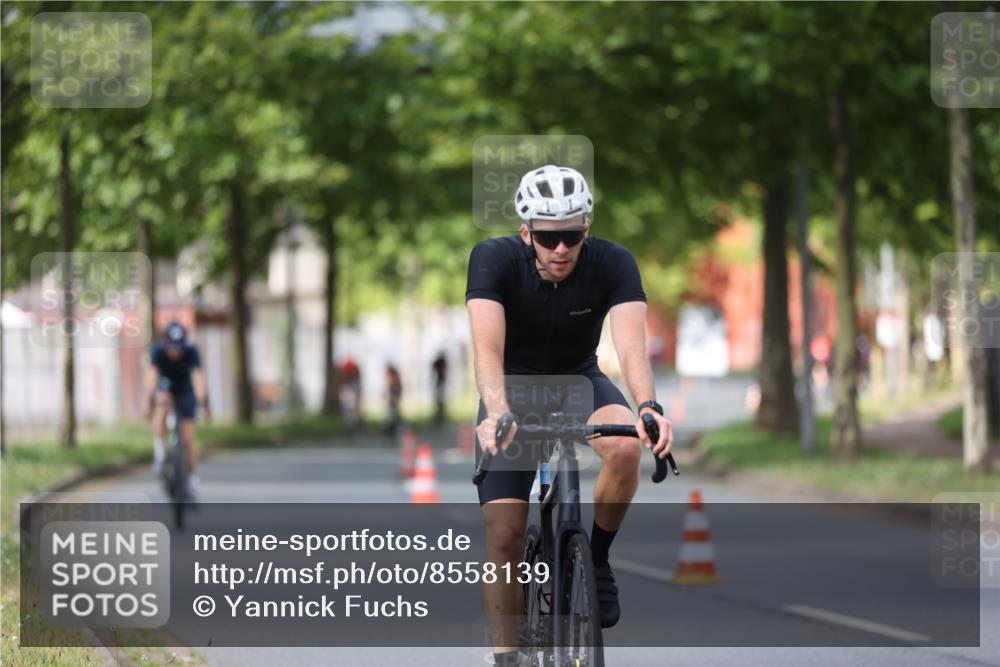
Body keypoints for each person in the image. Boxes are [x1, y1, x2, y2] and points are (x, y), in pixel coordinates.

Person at [466, 164, 673, 666]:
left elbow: (631, 348)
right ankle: (507, 659)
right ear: (526, 233)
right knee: (505, 536)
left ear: (587, 228)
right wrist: (498, 411)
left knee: (624, 446)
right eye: (547, 237)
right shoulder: (493, 259)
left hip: (580, 380)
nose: (561, 248)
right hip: (512, 389)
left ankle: (595, 559)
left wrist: (648, 407)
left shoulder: (613, 262)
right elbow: (487, 349)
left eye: (572, 236)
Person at [144, 321, 210, 497]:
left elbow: (199, 378)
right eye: (171, 348)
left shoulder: (191, 351)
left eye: (178, 348)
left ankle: (192, 477)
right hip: (165, 389)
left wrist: (204, 403)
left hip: (185, 391)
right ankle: (159, 451)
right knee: (161, 407)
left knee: (189, 440)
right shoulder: (158, 352)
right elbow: (151, 380)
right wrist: (150, 403)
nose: (175, 352)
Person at [384, 363, 403, 435]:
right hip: (392, 403)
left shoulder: (396, 382)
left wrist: (393, 399)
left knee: (394, 418)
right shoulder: (393, 382)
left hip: (394, 403)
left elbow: (396, 395)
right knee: (392, 418)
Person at [431, 352, 449, 425]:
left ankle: (440, 417)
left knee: (441, 401)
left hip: (440, 383)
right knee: (439, 401)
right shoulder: (439, 367)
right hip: (439, 383)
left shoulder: (441, 367)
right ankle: (439, 417)